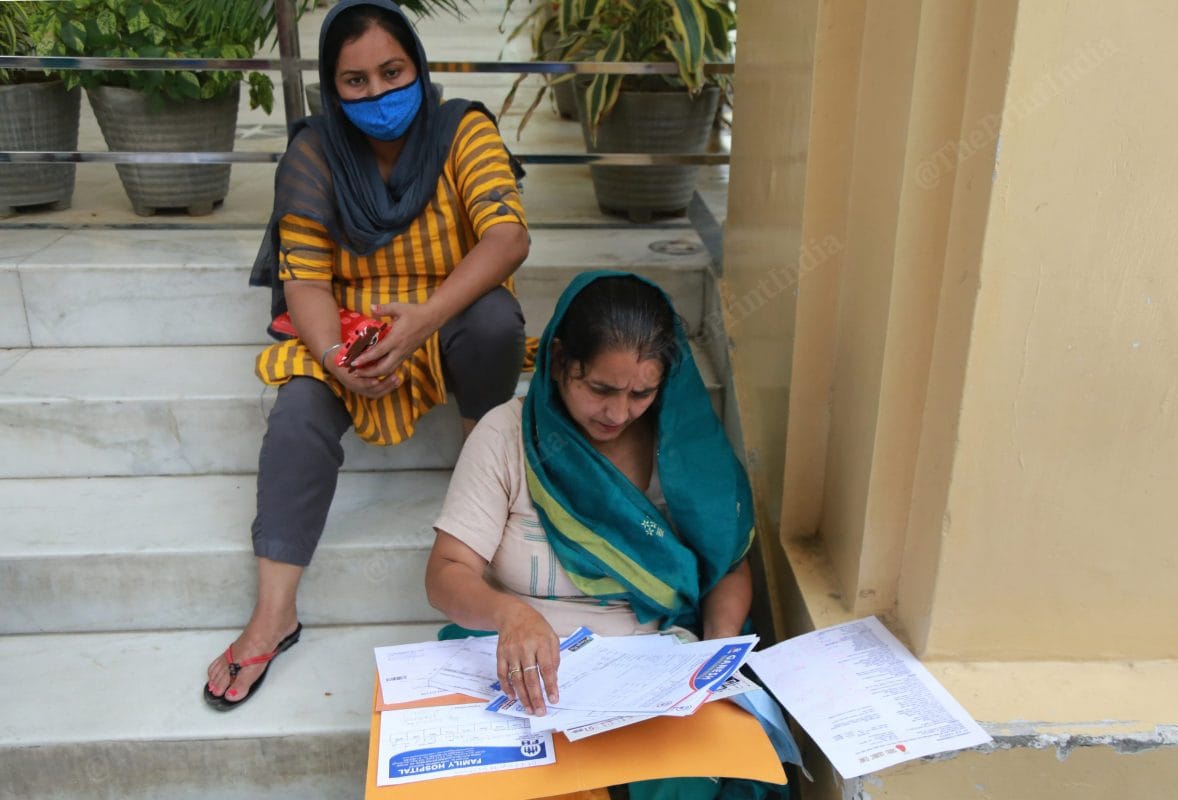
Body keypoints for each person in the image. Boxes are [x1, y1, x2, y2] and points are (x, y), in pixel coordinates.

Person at [204, 0, 529, 710]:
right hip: (351, 328)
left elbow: (507, 238)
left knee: (495, 321)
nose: (378, 93)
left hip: (445, 313)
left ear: (418, 66)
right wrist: (335, 356)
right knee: (297, 413)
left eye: (393, 72)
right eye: (356, 81)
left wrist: (423, 321)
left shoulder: (461, 130)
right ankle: (273, 614)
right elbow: (305, 280)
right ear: (332, 86)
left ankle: (482, 484)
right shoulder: (315, 153)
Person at [426, 272, 796, 799]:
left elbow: (727, 564)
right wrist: (511, 616)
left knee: (687, 781)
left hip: (653, 668)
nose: (618, 413)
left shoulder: (684, 449)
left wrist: (713, 656)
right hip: (527, 668)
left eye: (641, 393)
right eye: (600, 389)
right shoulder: (508, 436)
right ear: (559, 360)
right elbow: (446, 572)